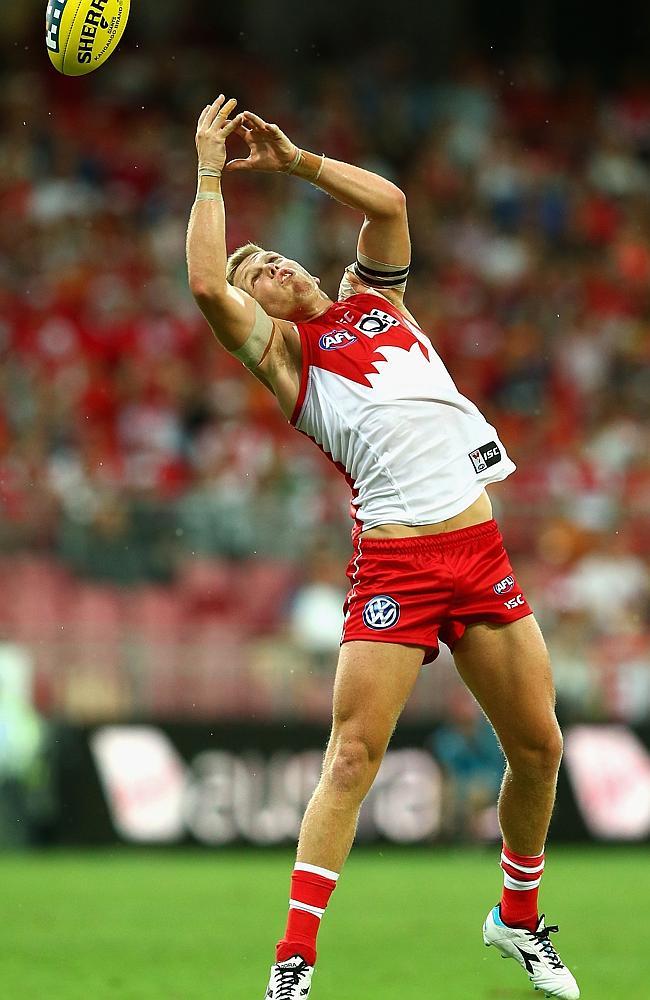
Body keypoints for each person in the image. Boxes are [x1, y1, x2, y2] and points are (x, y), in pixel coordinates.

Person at [186, 95, 580, 1000]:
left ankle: (516, 920)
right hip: (398, 565)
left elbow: (391, 205)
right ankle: (293, 964)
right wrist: (210, 171)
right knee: (354, 757)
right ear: (260, 310)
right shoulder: (288, 357)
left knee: (542, 748)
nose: (269, 264)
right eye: (258, 271)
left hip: (480, 550)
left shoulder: (376, 301)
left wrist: (295, 163)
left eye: (271, 254)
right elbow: (208, 285)